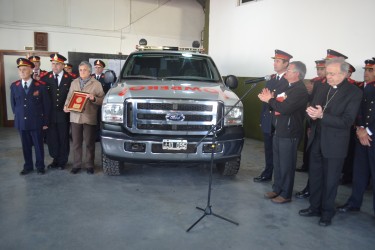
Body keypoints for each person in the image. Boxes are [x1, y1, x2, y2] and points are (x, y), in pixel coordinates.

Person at [298, 57, 362, 227]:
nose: (329, 77)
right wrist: (311, 114)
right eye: (328, 73)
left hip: (335, 144)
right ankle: (314, 207)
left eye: (333, 74)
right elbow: (313, 108)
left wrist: (322, 116)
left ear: (344, 74)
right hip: (317, 139)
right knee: (316, 177)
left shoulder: (354, 92)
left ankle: (327, 213)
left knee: (331, 180)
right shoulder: (322, 86)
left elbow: (347, 122)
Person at [295, 49, 348, 199]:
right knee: (315, 168)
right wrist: (311, 122)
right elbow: (312, 105)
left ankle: (324, 205)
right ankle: (311, 193)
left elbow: (346, 118)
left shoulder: (348, 89)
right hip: (317, 132)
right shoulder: (320, 85)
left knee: (330, 175)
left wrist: (321, 115)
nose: (326, 69)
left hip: (334, 136)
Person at [259, 61, 308, 203]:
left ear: (297, 74)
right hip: (279, 129)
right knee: (278, 163)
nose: (286, 71)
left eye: (289, 70)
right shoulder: (288, 87)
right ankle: (277, 189)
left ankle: (285, 194)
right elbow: (278, 103)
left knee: (287, 164)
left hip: (290, 132)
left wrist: (270, 100)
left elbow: (285, 108)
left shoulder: (299, 90)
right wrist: (270, 99)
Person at [337, 59, 375, 214]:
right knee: (359, 172)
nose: (366, 73)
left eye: (371, 70)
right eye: (366, 70)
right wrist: (359, 129)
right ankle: (354, 203)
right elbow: (357, 111)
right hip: (360, 136)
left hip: (372, 137)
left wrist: (369, 131)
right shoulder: (360, 88)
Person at [253, 49, 291, 183]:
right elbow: (265, 100)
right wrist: (262, 119)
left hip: (280, 119)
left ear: (286, 64)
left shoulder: (289, 80)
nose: (275, 64)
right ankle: (268, 172)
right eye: (274, 61)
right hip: (269, 119)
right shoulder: (271, 79)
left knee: (280, 152)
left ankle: (280, 179)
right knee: (268, 149)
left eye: (278, 61)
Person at [10, 58, 50, 175]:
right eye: (20, 70)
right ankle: (28, 166)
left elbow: (46, 105)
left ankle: (40, 166)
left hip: (36, 122)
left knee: (38, 145)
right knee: (25, 146)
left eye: (25, 70)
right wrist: (18, 118)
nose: (22, 72)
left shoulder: (40, 86)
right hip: (22, 122)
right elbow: (14, 105)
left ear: (31, 71)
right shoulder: (14, 86)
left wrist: (45, 122)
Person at [64, 61, 105, 174]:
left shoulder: (96, 84)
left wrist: (94, 98)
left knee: (89, 143)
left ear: (90, 71)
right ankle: (76, 164)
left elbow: (103, 100)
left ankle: (89, 165)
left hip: (89, 117)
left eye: (84, 70)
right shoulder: (74, 82)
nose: (82, 72)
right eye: (80, 70)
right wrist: (66, 105)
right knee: (76, 143)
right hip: (75, 117)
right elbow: (69, 97)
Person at [41, 53, 73, 170]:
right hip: (50, 114)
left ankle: (63, 161)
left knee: (63, 137)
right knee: (52, 138)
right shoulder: (45, 78)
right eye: (53, 64)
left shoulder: (70, 79)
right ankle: (55, 159)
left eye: (57, 64)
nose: (54, 66)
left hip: (64, 114)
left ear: (63, 65)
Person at [296, 59, 326, 173]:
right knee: (310, 148)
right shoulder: (317, 83)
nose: (319, 71)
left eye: (321, 69)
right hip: (312, 119)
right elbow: (312, 101)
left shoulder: (326, 84)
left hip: (323, 122)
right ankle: (306, 165)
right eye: (318, 69)